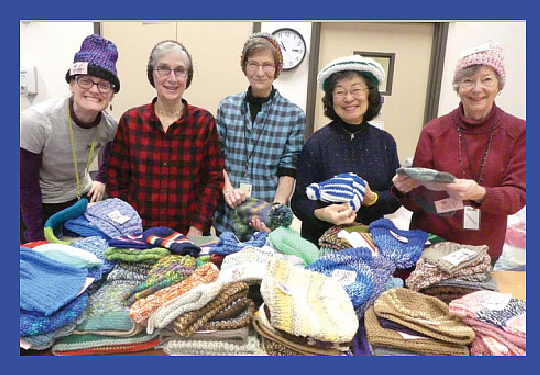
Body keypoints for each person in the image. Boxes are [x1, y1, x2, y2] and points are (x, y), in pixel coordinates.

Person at [392, 40, 526, 264]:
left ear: (499, 86)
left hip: (482, 248)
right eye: (467, 81)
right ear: (457, 88)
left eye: (486, 80)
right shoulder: (434, 131)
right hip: (430, 242)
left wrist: (479, 194)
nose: (476, 89)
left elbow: (517, 197)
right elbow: (414, 203)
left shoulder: (518, 132)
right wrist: (403, 190)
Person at [106, 40, 224, 237]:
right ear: (152, 74)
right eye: (163, 69)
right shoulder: (131, 121)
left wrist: (198, 226)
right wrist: (127, 224)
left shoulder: (203, 122)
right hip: (138, 233)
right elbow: (116, 180)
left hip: (187, 233)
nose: (172, 78)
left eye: (180, 70)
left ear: (188, 77)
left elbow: (213, 180)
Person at [291, 55, 402, 245]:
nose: (349, 98)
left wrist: (372, 198)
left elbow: (395, 197)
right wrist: (323, 214)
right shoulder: (316, 142)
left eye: (356, 90)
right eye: (340, 92)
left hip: (371, 242)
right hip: (320, 242)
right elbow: (299, 201)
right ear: (332, 100)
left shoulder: (385, 142)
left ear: (370, 95)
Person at [20, 34, 120, 243]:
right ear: (71, 84)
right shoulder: (36, 122)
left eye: (104, 85)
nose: (94, 90)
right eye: (85, 81)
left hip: (78, 203)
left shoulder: (110, 127)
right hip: (34, 206)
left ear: (112, 94)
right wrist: (36, 236)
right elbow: (24, 185)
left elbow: (110, 154)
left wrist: (101, 178)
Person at [213, 32, 306, 240]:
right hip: (229, 211)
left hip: (267, 210)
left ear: (277, 69)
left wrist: (276, 210)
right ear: (245, 67)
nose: (259, 72)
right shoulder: (227, 107)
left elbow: (288, 167)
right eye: (253, 64)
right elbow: (217, 156)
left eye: (267, 65)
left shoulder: (293, 115)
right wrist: (227, 189)